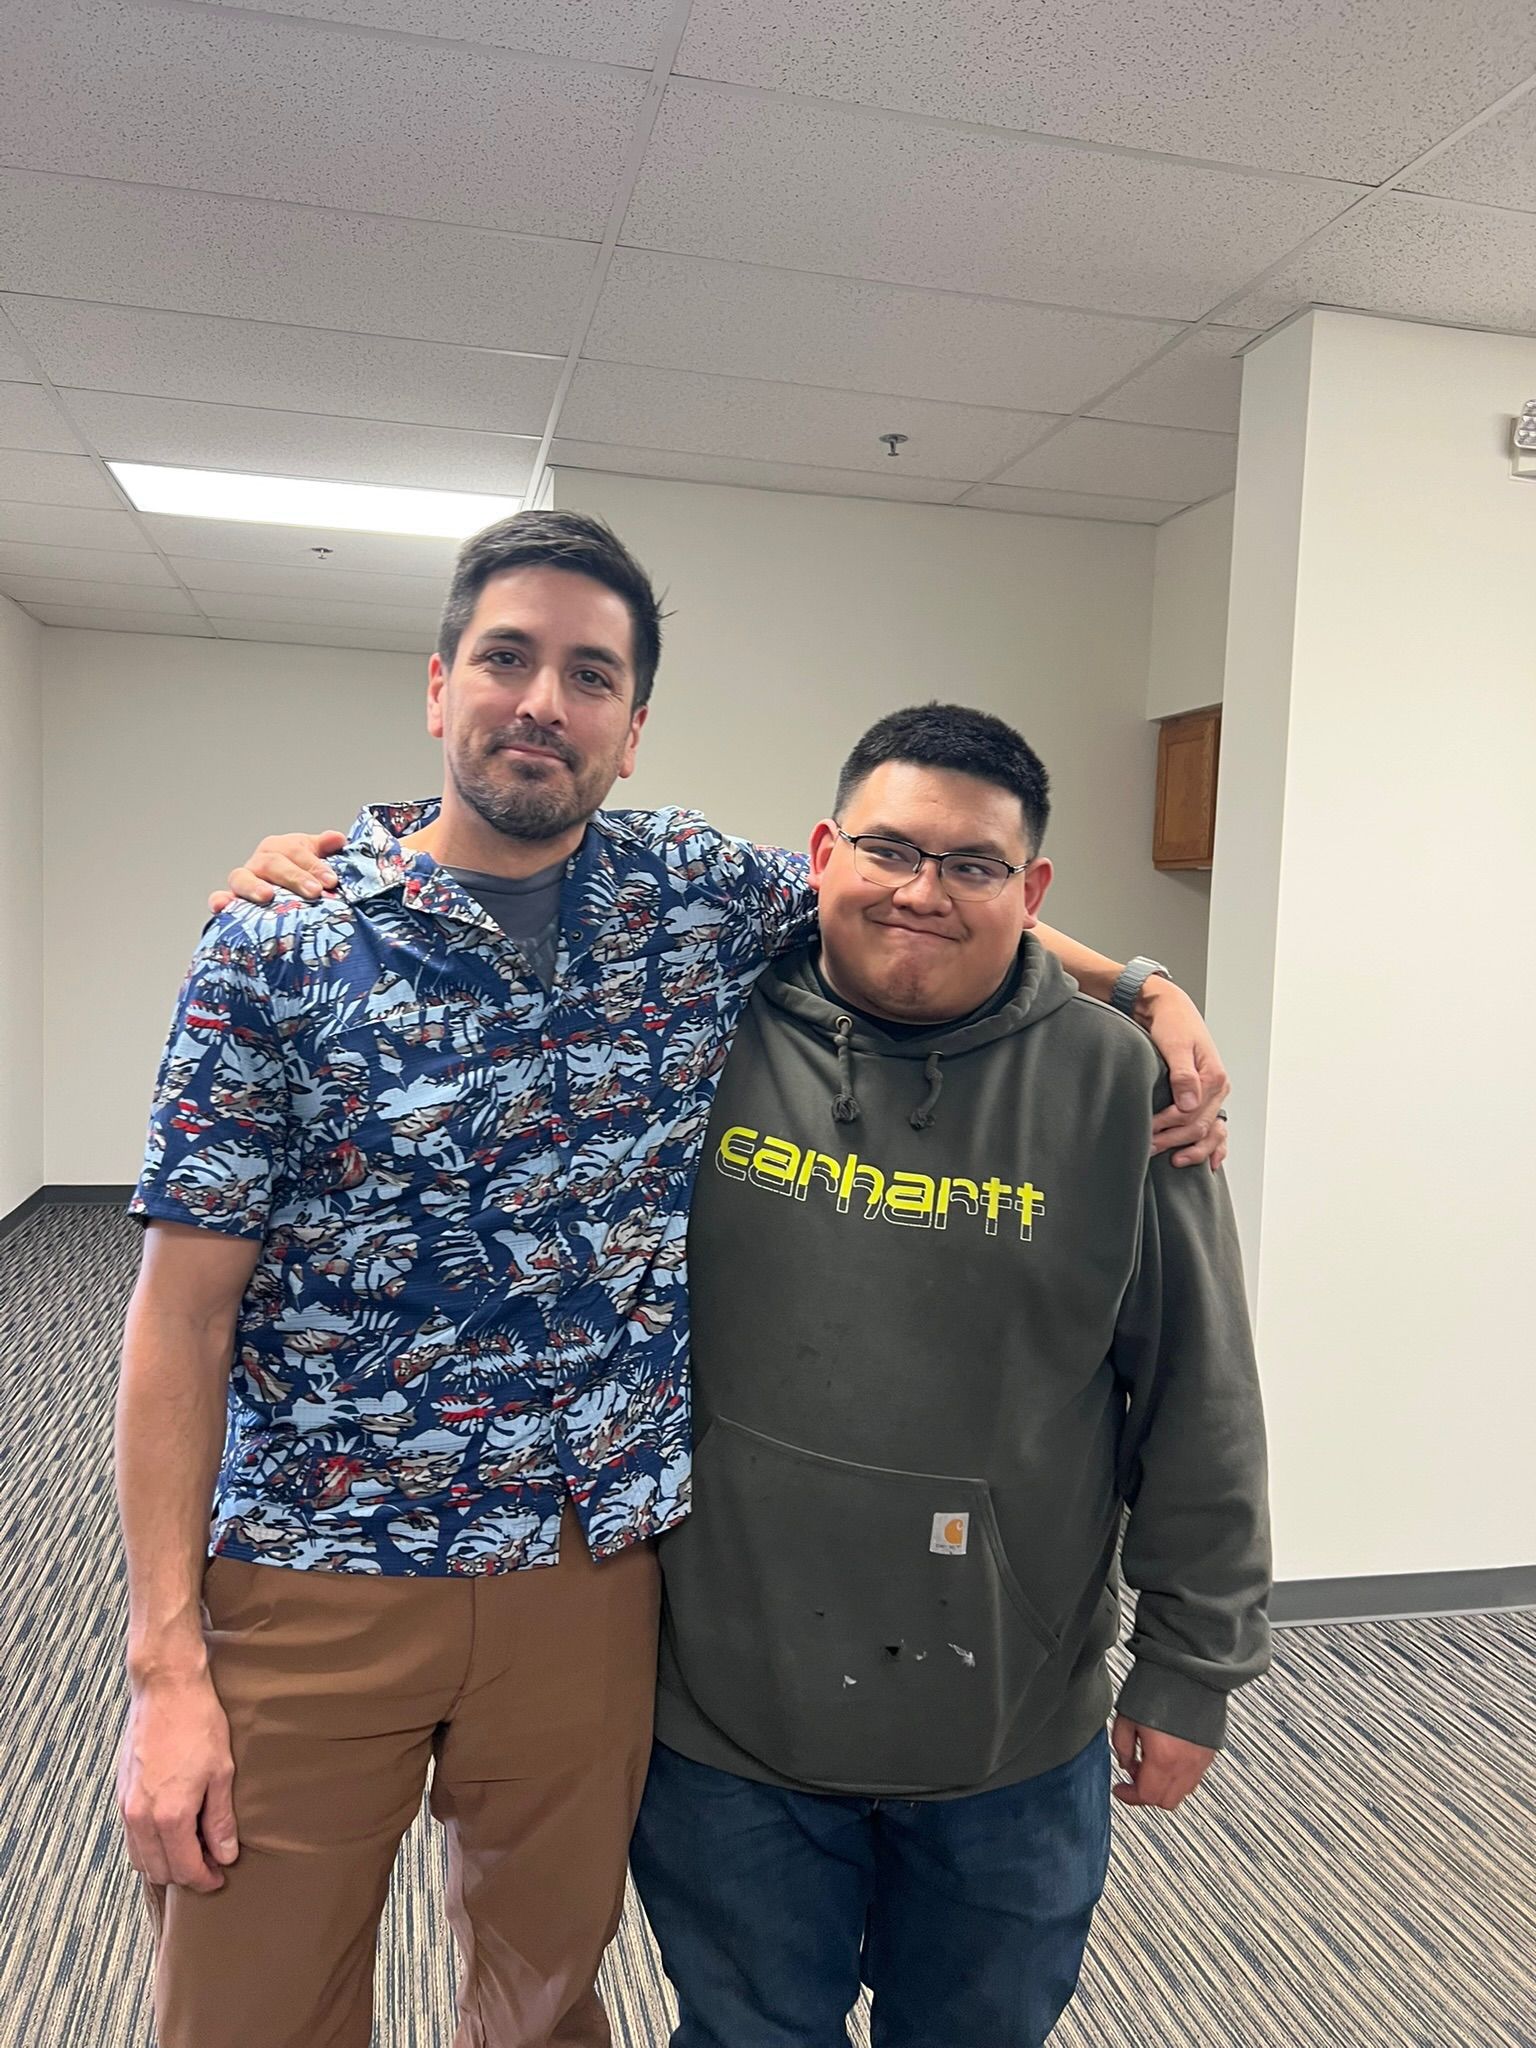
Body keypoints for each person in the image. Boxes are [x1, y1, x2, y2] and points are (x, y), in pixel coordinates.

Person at [116, 509, 1230, 2048]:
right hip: (322, 1562)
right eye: (507, 659)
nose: (543, 703)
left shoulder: (685, 894)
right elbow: (177, 1320)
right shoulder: (278, 948)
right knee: (253, 2008)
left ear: (633, 728)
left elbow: (918, 894)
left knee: (541, 2003)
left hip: (588, 1579)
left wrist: (1148, 986)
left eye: (591, 676)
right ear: (439, 685)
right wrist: (164, 1660)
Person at [627, 704, 1270, 2048]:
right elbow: (491, 874)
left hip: (1007, 1729)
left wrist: (1192, 1665)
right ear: (822, 854)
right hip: (726, 1715)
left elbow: (1198, 1393)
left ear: (1032, 892)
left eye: (974, 864)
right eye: (890, 850)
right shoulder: (692, 1030)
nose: (923, 891)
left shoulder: (1123, 1088)